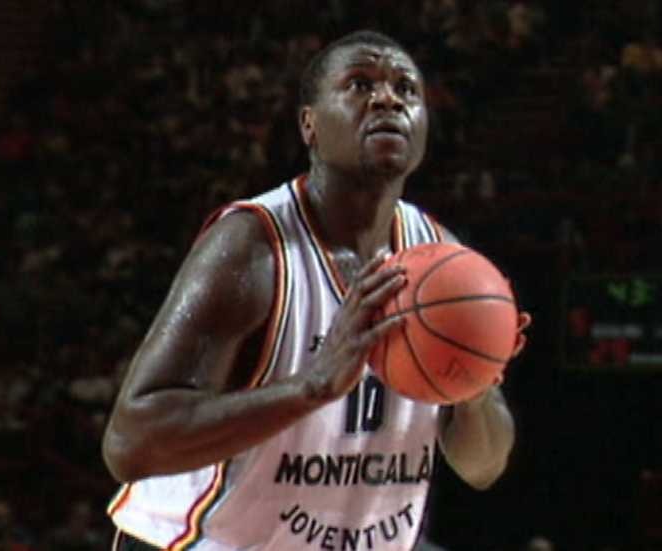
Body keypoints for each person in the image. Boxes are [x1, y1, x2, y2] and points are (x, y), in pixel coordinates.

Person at [101, 30, 532, 551]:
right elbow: (131, 444)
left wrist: (475, 383)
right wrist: (311, 387)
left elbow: (484, 467)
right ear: (309, 125)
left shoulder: (443, 259)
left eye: (406, 89)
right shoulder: (251, 248)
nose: (388, 99)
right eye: (360, 84)